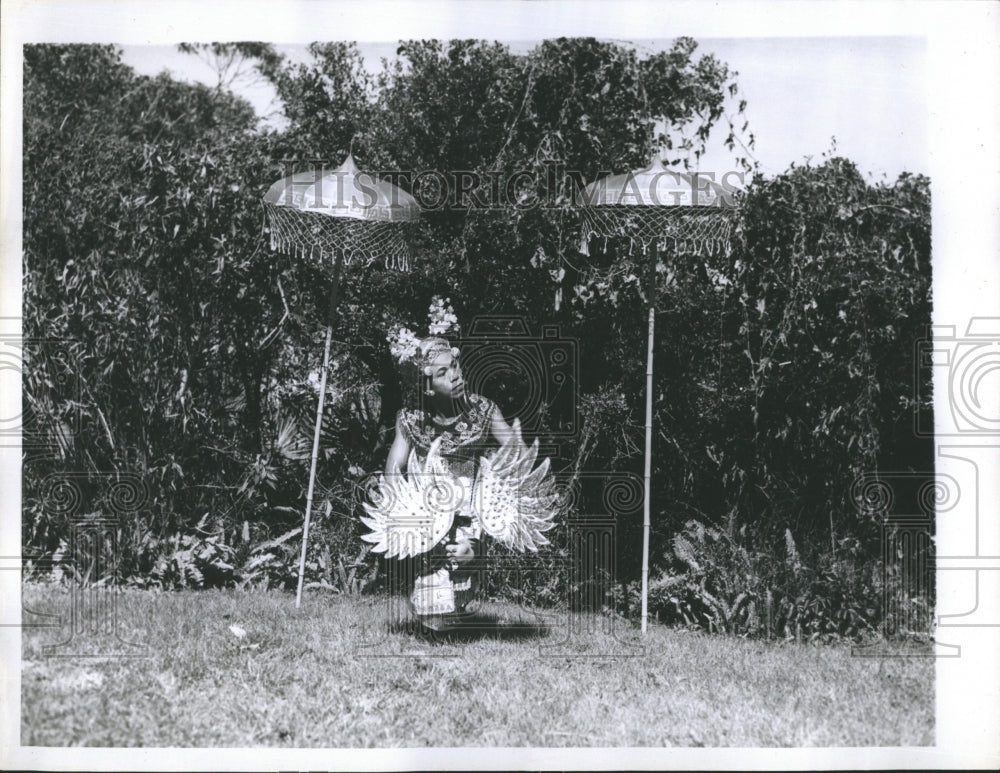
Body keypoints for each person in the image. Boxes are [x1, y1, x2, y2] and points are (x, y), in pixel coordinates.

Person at [383, 335, 514, 631]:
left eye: (454, 366)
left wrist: (500, 476)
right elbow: (394, 465)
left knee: (460, 573)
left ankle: (455, 607)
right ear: (427, 387)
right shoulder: (411, 419)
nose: (455, 375)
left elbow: (515, 450)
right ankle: (439, 624)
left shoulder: (484, 410)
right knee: (432, 594)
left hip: (471, 513)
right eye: (442, 373)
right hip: (429, 514)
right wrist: (400, 504)